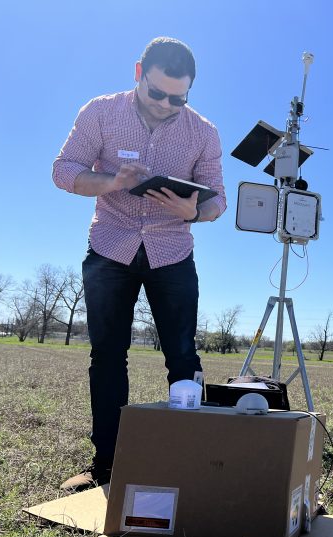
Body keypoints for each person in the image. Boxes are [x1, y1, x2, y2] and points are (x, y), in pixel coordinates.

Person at [52, 37, 226, 492]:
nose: (168, 104)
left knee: (183, 358)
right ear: (138, 73)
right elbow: (64, 170)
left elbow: (217, 199)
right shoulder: (101, 112)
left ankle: (188, 460)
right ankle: (107, 464)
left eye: (179, 97)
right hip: (111, 247)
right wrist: (110, 181)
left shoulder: (203, 132)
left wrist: (195, 212)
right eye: (158, 93)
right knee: (107, 356)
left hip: (173, 252)